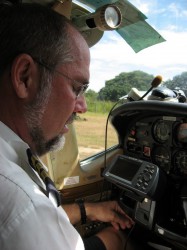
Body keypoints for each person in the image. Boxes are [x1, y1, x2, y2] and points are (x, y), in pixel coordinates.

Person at [0, 2, 135, 250]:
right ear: (24, 77)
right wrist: (113, 240)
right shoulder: (24, 206)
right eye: (77, 88)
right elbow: (31, 212)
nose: (82, 106)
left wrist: (89, 210)